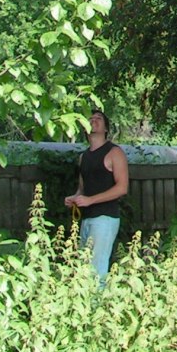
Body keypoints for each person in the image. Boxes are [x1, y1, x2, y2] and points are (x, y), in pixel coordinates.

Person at [65, 108, 128, 282]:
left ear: (106, 128)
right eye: (90, 118)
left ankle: (97, 305)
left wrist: (90, 200)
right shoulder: (83, 157)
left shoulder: (114, 152)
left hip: (105, 218)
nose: (93, 120)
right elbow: (82, 189)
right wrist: (75, 198)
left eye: (98, 118)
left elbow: (122, 188)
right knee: (83, 267)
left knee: (96, 269)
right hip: (86, 219)